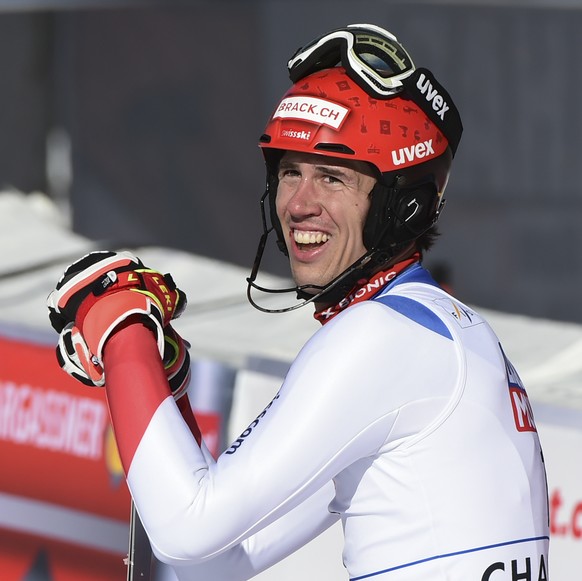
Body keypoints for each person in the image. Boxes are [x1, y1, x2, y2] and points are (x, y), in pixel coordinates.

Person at [47, 24, 550, 580]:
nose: (299, 204)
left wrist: (123, 328)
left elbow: (187, 531)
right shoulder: (450, 330)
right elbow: (213, 562)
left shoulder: (379, 339)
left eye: (332, 177)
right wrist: (160, 387)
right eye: (289, 172)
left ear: (402, 207)